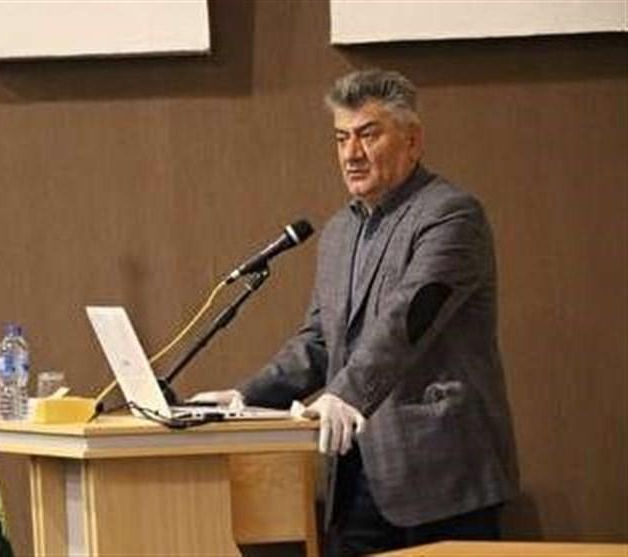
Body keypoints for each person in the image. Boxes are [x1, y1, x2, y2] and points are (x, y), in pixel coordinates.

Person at [191, 69, 520, 555]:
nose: (351, 154)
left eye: (368, 134)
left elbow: (407, 322)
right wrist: (244, 398)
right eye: (341, 138)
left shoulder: (451, 215)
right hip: (354, 474)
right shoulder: (339, 232)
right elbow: (319, 341)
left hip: (441, 479)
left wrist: (343, 393)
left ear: (412, 141)